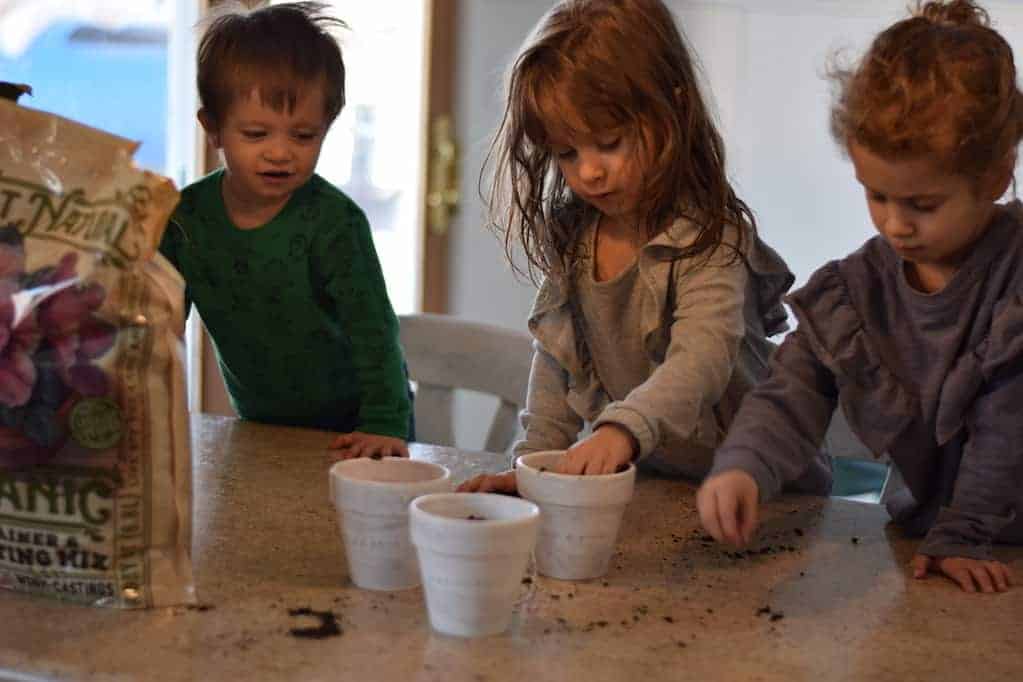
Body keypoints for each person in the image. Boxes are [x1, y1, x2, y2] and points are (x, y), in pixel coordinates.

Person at [698, 0, 1023, 593]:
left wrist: (963, 534)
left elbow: (1009, 428)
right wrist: (743, 466)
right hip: (933, 556)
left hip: (989, 551)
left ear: (997, 177)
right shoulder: (859, 292)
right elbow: (790, 391)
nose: (895, 225)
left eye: (922, 205)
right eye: (876, 195)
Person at [459, 0, 812, 494]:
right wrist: (533, 467)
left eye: (608, 142)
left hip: (767, 492)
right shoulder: (576, 239)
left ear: (674, 110)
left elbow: (701, 359)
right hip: (666, 489)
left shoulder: (709, 238)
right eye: (567, 152)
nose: (589, 171)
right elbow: (556, 365)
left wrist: (621, 429)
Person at [159, 2, 412, 459]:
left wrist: (385, 424)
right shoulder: (185, 219)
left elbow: (375, 332)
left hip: (360, 431)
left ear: (327, 127)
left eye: (303, 136)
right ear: (212, 129)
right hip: (262, 430)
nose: (280, 153)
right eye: (256, 134)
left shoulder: (335, 223)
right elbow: (160, 323)